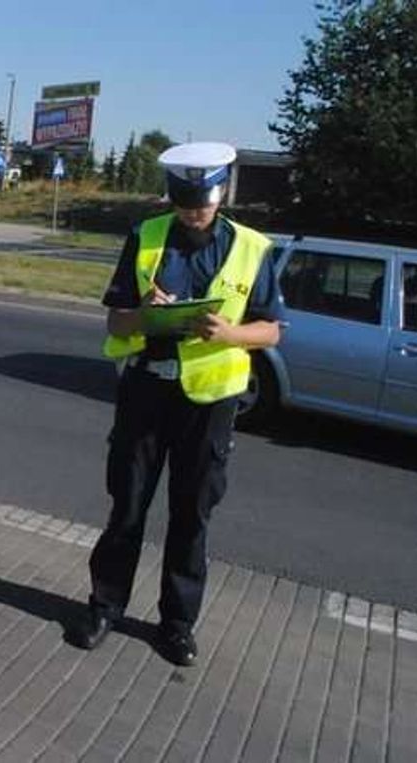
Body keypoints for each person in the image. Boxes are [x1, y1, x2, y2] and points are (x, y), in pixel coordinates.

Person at [69, 142, 284, 666]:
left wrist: (231, 332)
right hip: (146, 391)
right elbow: (116, 320)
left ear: (221, 194)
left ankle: (177, 624)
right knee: (128, 505)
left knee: (192, 516)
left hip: (210, 404)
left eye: (202, 202)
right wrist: (143, 314)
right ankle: (105, 606)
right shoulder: (146, 236)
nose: (193, 212)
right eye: (184, 202)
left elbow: (273, 331)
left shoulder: (254, 247)